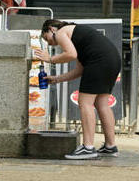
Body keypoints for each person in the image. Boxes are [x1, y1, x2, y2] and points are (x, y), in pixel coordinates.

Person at [35, 19, 121, 160]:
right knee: (102, 104)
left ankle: (88, 147)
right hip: (112, 60)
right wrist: (57, 78)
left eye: (47, 38)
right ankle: (110, 146)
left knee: (85, 102)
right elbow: (79, 70)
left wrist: (50, 59)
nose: (49, 43)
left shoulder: (62, 32)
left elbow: (71, 55)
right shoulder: (78, 37)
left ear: (51, 29)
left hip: (99, 61)